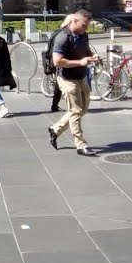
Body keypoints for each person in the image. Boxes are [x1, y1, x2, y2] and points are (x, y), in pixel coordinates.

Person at [47, 10, 100, 157]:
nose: (86, 28)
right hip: (66, 78)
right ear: (74, 21)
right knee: (76, 111)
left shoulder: (83, 35)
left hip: (81, 75)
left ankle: (55, 129)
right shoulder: (62, 38)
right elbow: (57, 61)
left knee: (82, 109)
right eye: (84, 25)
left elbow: (86, 50)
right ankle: (81, 145)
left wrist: (91, 56)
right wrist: (80, 62)